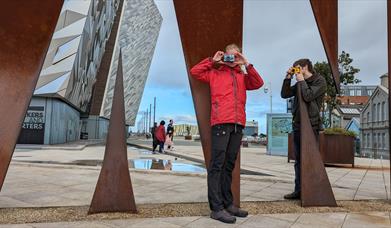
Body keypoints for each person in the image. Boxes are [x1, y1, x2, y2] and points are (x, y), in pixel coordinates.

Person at [190, 43, 264, 224]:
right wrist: (211, 60)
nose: (232, 59)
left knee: (229, 165)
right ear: (224, 56)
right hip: (221, 122)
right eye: (229, 56)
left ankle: (228, 204)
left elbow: (258, 83)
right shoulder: (215, 73)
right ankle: (216, 209)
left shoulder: (242, 76)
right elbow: (195, 72)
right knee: (217, 165)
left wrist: (247, 64)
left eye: (235, 55)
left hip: (238, 125)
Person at [280, 58, 326, 200]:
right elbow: (285, 94)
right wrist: (288, 78)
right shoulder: (300, 82)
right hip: (298, 124)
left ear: (305, 67)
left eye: (298, 68)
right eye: (294, 69)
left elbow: (308, 96)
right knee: (299, 160)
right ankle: (298, 190)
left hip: (311, 125)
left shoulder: (320, 81)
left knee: (310, 159)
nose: (296, 71)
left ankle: (311, 190)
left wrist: (301, 81)